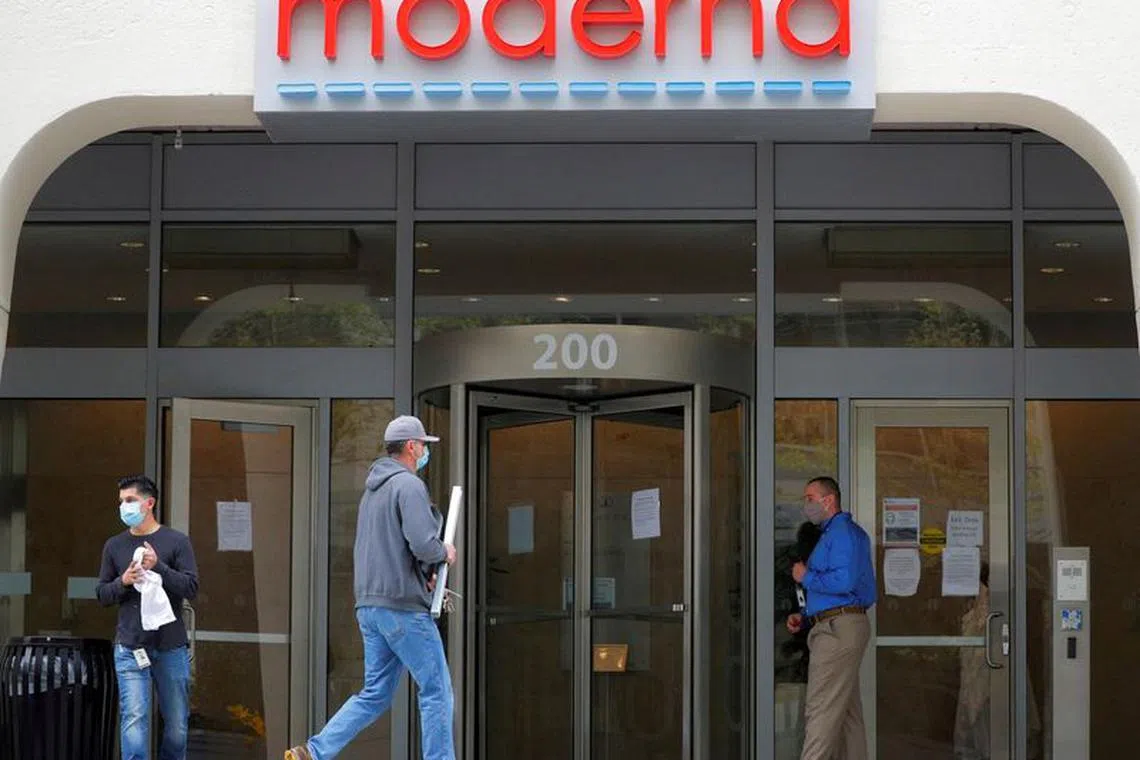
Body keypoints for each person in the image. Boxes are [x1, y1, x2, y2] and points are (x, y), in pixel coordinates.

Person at [287, 415, 458, 760]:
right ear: (411, 446)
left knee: (375, 693)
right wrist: (444, 552)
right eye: (423, 445)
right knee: (437, 691)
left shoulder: (372, 491)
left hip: (371, 607)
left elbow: (390, 549)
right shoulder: (408, 486)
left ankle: (315, 751)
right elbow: (423, 544)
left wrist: (422, 571)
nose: (425, 452)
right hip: (403, 609)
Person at [95, 475, 199, 760]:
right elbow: (102, 594)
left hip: (171, 647)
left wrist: (159, 567)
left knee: (177, 726)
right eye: (121, 502)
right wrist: (124, 581)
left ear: (149, 503)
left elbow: (191, 587)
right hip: (130, 647)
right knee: (134, 722)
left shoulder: (176, 541)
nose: (124, 506)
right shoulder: (114, 546)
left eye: (130, 500)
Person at [787, 476, 877, 760]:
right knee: (848, 715)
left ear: (829, 500)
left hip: (837, 629)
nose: (806, 505)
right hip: (836, 623)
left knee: (821, 709)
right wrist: (804, 616)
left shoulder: (843, 534)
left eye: (809, 498)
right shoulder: (834, 534)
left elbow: (844, 582)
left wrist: (806, 576)